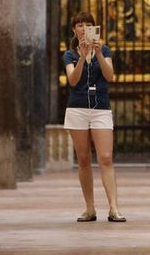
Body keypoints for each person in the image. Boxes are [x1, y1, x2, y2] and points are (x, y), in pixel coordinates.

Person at [63, 12, 126, 223]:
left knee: (106, 157)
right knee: (83, 159)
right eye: (79, 25)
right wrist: (82, 56)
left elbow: (110, 76)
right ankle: (90, 208)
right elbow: (73, 80)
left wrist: (98, 54)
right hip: (77, 109)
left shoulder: (105, 50)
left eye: (87, 25)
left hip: (100, 109)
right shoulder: (69, 55)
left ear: (94, 29)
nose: (83, 28)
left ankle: (114, 208)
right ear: (74, 30)